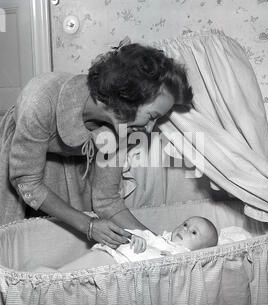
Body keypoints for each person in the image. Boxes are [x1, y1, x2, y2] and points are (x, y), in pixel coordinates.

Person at [0, 40, 193, 248]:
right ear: (127, 98)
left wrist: (160, 243)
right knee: (15, 245)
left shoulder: (123, 125)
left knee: (64, 249)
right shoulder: (40, 99)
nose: (149, 129)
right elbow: (27, 182)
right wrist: (88, 225)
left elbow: (106, 200)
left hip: (68, 166)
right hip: (18, 161)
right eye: (152, 116)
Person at [33, 216, 218, 272]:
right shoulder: (159, 239)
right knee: (70, 272)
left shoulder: (184, 257)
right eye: (185, 224)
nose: (185, 229)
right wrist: (134, 237)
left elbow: (177, 271)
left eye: (193, 232)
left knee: (72, 276)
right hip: (112, 253)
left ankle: (44, 275)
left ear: (201, 250)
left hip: (117, 264)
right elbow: (138, 235)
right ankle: (44, 275)